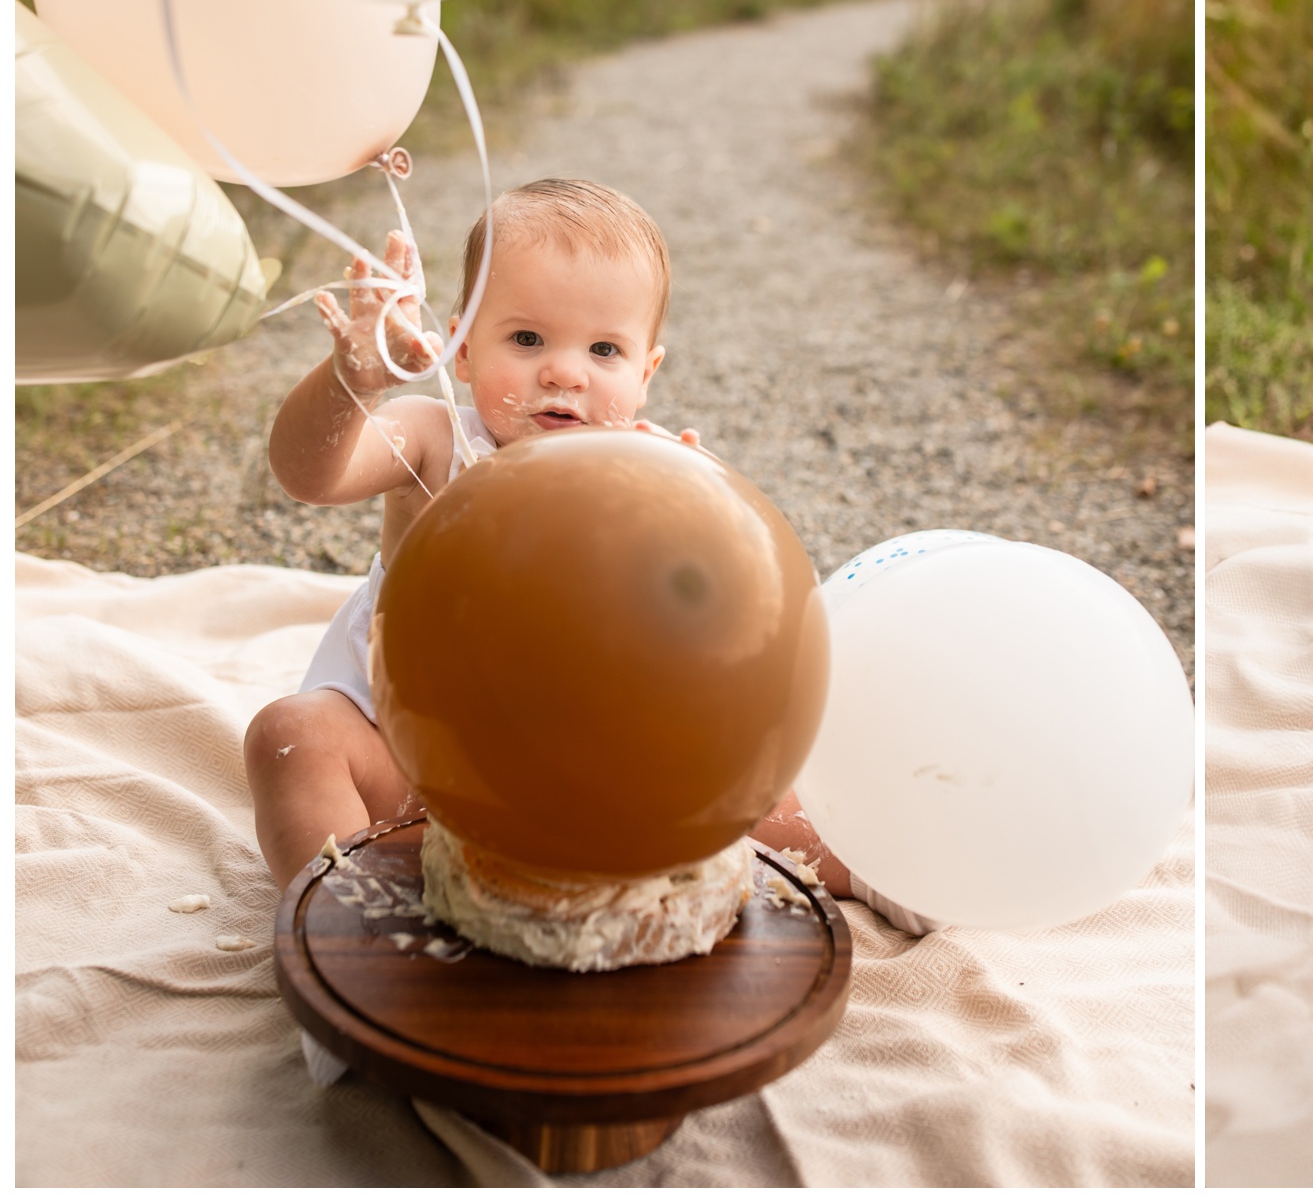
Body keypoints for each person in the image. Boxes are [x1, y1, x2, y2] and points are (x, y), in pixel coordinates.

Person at [245, 178, 891, 916]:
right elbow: (309, 476)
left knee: (748, 787)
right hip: (408, 765)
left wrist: (700, 519)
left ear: (645, 374)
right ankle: (344, 925)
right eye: (526, 339)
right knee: (290, 737)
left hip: (577, 776)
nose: (564, 371)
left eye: (604, 349)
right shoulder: (434, 438)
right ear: (461, 348)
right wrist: (352, 382)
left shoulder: (643, 468)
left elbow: (727, 621)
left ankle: (881, 866)